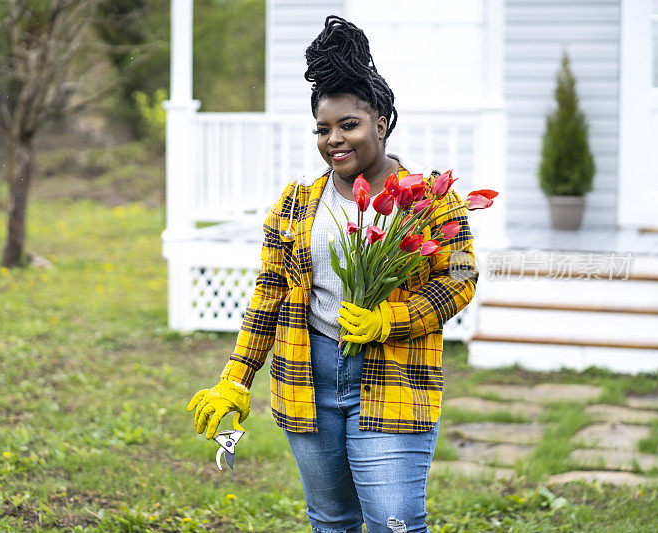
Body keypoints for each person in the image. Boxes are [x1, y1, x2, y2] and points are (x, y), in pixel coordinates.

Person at [187, 15, 478, 533]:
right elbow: (270, 294)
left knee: (396, 521)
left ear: (382, 122)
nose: (334, 140)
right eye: (323, 129)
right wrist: (235, 378)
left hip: (394, 375)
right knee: (331, 520)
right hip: (308, 379)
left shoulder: (430, 198)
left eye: (349, 125)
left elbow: (460, 277)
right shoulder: (297, 203)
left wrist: (392, 319)